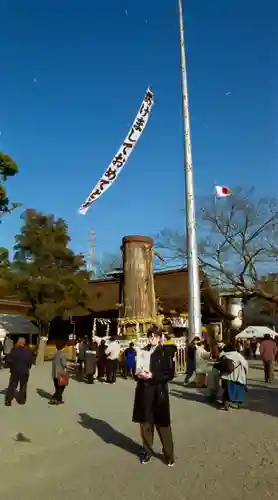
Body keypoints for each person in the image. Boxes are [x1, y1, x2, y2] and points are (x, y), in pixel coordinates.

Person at [133, 327, 175, 467]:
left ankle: (169, 455)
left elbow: (169, 374)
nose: (152, 338)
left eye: (155, 336)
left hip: (158, 392)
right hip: (144, 392)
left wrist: (153, 376)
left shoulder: (164, 352)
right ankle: (148, 451)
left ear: (159, 337)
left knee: (163, 425)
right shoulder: (143, 351)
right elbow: (137, 369)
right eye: (150, 336)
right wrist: (137, 374)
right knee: (145, 424)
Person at [5, 337, 34, 406]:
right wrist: (28, 367)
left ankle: (8, 401)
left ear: (19, 342)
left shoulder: (14, 350)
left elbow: (9, 360)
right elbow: (30, 362)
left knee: (12, 385)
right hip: (24, 371)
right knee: (23, 386)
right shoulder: (28, 351)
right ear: (24, 343)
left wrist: (11, 367)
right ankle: (22, 400)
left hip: (15, 371)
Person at [219, 343, 248, 411]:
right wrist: (245, 374)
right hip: (237, 375)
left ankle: (225, 401)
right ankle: (234, 403)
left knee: (227, 390)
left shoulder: (223, 355)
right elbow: (245, 364)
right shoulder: (238, 355)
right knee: (237, 390)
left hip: (226, 375)